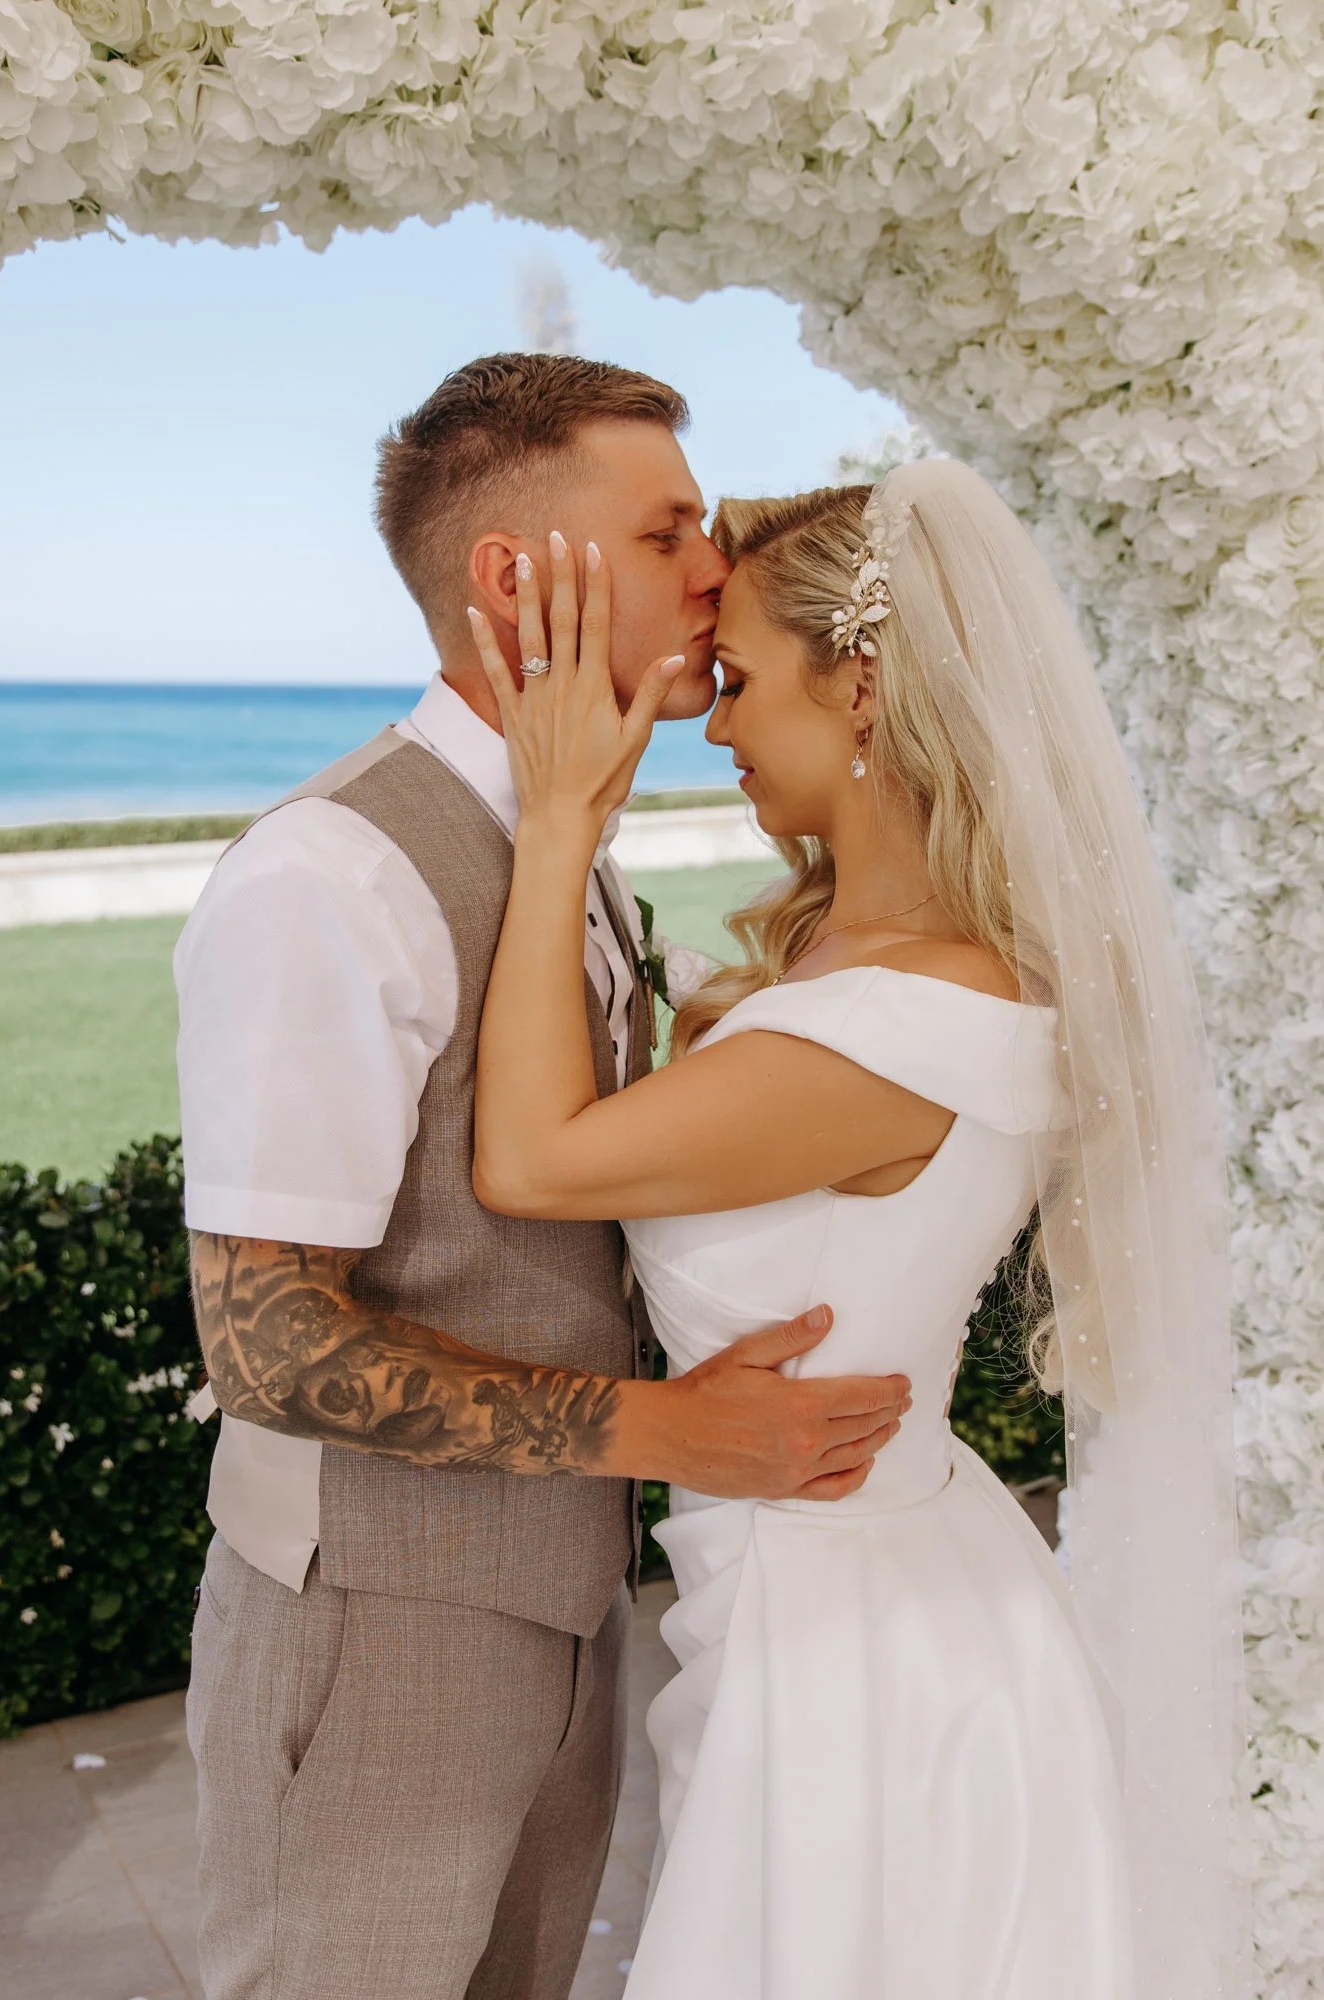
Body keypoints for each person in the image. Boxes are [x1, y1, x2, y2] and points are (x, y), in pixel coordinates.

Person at [176, 352, 912, 2000]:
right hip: (376, 1628)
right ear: (515, 576)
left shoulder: (563, 842)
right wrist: (673, 1431)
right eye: (667, 536)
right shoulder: (331, 873)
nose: (715, 566)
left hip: (559, 1603)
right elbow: (265, 1344)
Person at [468, 460, 1253, 1999]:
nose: (714, 719)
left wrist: (558, 816)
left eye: (743, 680)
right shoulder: (869, 959)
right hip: (847, 1587)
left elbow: (536, 1162)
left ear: (869, 691)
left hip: (862, 1660)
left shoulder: (915, 1019)